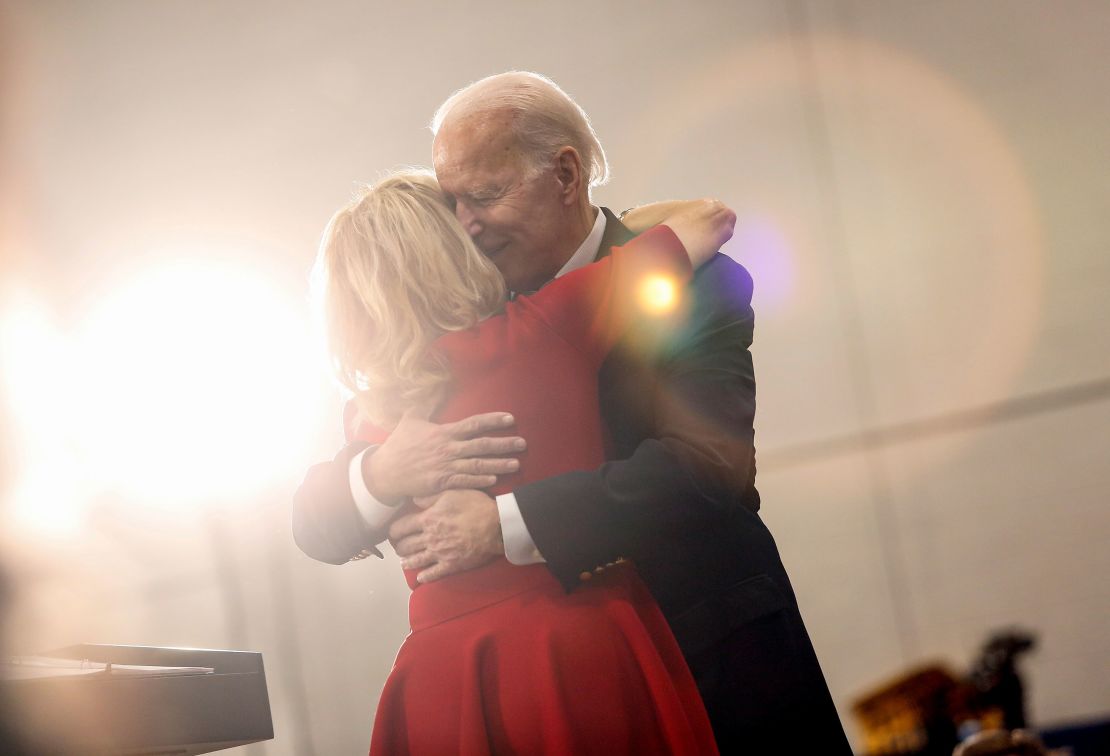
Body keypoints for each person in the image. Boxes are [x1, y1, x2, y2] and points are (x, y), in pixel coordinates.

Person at [294, 71, 851, 753]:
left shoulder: (692, 286)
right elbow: (316, 523)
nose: (467, 223)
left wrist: (501, 524)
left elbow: (708, 469)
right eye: (452, 203)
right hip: (541, 682)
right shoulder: (458, 308)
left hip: (707, 648)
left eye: (487, 195)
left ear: (565, 173)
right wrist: (379, 474)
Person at [309, 169, 732, 753]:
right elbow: (709, 219)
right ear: (453, 248)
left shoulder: (369, 419)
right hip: (571, 646)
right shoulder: (549, 322)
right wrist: (616, 228)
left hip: (438, 677)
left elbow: (318, 524)